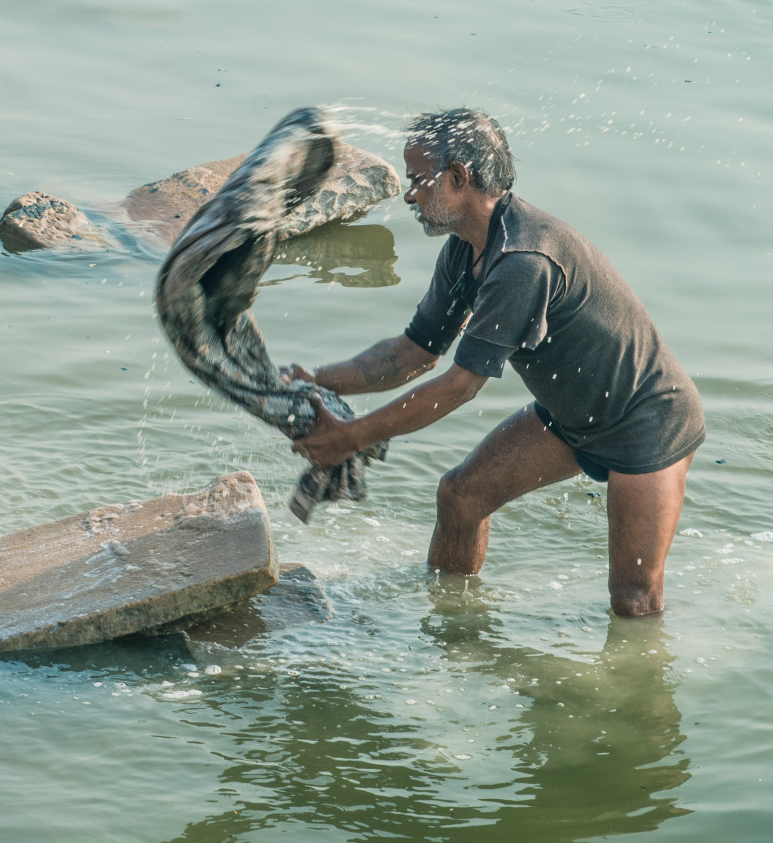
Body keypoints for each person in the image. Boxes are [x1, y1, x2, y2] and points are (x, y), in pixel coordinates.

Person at [288, 108, 705, 617]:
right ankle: (453, 630)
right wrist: (315, 380)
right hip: (572, 418)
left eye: (419, 180)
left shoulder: (521, 262)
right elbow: (412, 353)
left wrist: (352, 437)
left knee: (633, 600)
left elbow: (461, 386)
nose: (409, 194)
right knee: (460, 497)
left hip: (647, 424)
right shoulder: (466, 250)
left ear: (459, 178)